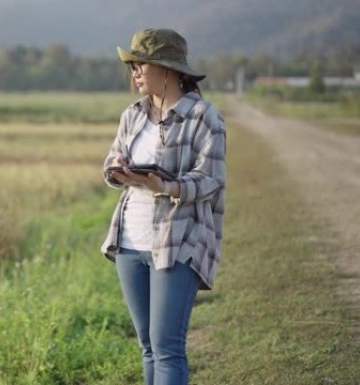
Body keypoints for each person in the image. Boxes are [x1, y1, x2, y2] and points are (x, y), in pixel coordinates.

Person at [101, 28, 226, 385]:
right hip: (129, 242)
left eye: (141, 65)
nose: (135, 73)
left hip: (178, 240)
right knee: (147, 346)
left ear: (168, 69)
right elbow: (111, 161)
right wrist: (119, 171)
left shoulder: (205, 117)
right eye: (133, 67)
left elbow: (210, 179)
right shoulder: (133, 115)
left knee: (168, 347)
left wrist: (166, 186)